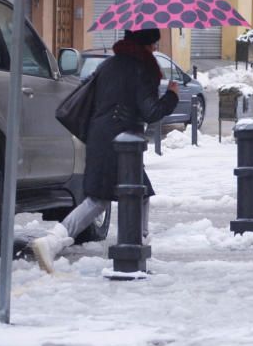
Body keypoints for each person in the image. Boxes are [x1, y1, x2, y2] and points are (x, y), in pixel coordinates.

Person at [31, 27, 179, 273]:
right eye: (153, 44)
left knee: (125, 195)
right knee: (115, 196)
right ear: (144, 44)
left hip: (100, 137)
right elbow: (151, 111)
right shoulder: (143, 68)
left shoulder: (109, 65)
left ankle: (137, 244)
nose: (155, 48)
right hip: (121, 143)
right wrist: (171, 96)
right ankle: (54, 242)